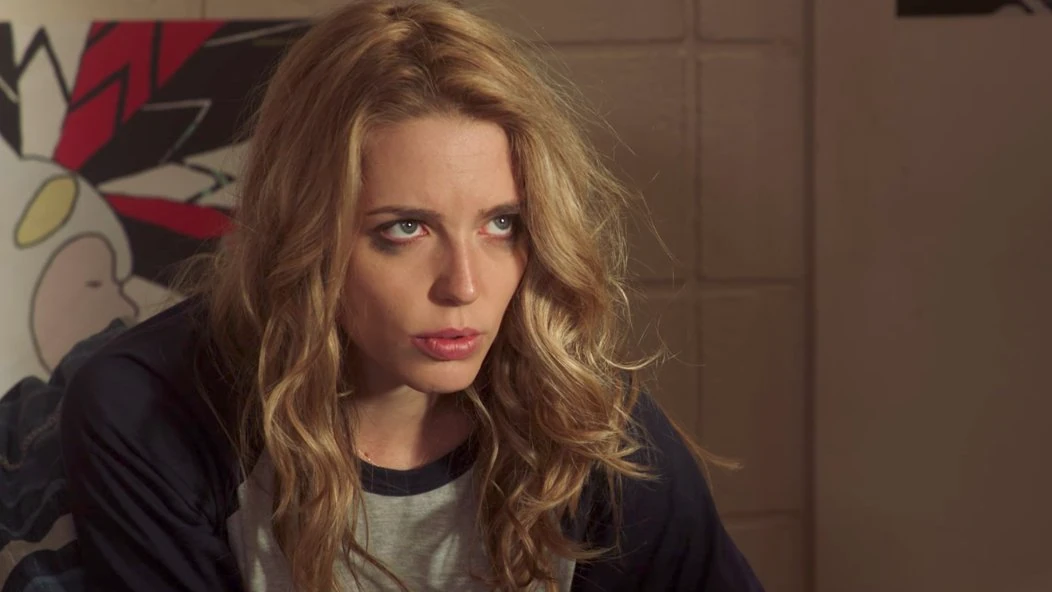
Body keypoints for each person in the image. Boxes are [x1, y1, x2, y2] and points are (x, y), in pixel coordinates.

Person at [59, 1, 764, 590]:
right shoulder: (151, 412)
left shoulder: (584, 422)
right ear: (305, 233)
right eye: (405, 228)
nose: (464, 286)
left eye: (501, 224)